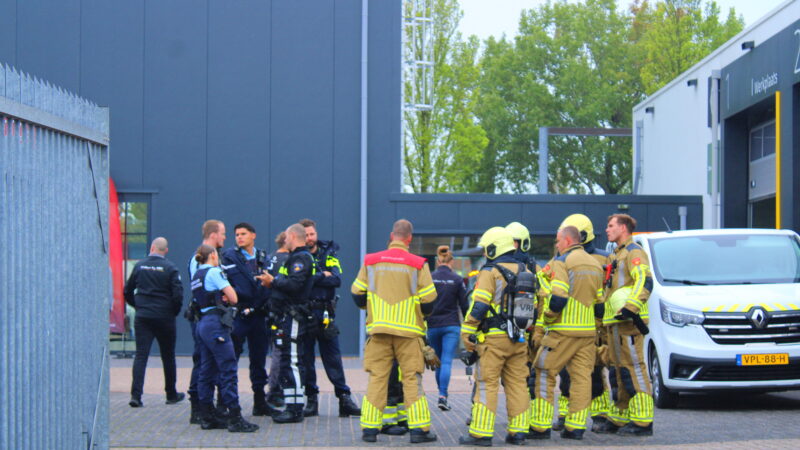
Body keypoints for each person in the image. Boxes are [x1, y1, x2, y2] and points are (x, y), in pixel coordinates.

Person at [350, 219, 438, 444]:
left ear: (392, 236)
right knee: (411, 379)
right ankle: (419, 430)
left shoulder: (371, 261)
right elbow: (429, 299)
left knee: (377, 378)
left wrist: (371, 309)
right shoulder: (418, 263)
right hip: (409, 334)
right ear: (410, 238)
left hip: (378, 331)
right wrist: (419, 314)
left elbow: (357, 293)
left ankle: (369, 430)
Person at [459, 227, 532, 446]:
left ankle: (481, 433)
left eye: (486, 249)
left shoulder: (489, 271)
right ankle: (518, 432)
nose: (484, 253)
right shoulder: (525, 270)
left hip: (493, 339)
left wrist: (467, 328)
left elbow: (480, 305)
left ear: (494, 248)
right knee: (518, 384)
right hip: (519, 338)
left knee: (486, 384)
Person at [529, 225, 604, 440]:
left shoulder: (562, 262)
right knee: (582, 379)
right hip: (587, 333)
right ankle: (576, 428)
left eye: (558, 241)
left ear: (568, 241)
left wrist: (549, 318)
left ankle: (540, 426)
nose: (556, 245)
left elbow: (558, 297)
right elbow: (600, 303)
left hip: (561, 332)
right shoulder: (595, 264)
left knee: (544, 372)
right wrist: (595, 327)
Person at [551, 214, 613, 432]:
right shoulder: (563, 259)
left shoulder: (604, 259)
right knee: (571, 375)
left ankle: (599, 413)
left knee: (595, 373)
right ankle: (569, 417)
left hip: (587, 326)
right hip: (589, 326)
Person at [192, 244, 259, 432]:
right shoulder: (214, 273)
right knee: (228, 368)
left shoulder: (197, 275)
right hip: (215, 324)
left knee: (206, 370)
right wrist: (227, 295)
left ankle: (207, 415)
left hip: (203, 323)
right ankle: (235, 417)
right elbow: (234, 297)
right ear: (212, 255)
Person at [298, 218, 361, 418]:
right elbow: (299, 282)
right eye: (306, 235)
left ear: (316, 234)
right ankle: (311, 399)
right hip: (305, 313)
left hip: (325, 313)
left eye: (312, 234)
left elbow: (337, 279)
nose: (309, 238)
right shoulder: (297, 256)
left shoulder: (329, 253)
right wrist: (319, 275)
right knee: (306, 359)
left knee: (333, 357)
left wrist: (313, 277)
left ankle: (344, 398)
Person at [600, 213, 654, 436]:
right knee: (618, 369)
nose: (606, 229)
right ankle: (620, 416)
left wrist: (631, 306)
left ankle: (643, 421)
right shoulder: (614, 255)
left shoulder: (634, 252)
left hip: (629, 321)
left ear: (623, 228)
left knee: (634, 367)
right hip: (614, 322)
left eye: (610, 225)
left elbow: (644, 279)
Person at [256, 223, 316, 424]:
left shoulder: (301, 258)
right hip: (286, 315)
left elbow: (294, 285)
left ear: (292, 236)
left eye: (286, 237)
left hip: (294, 315)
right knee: (288, 361)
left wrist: (272, 282)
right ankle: (291, 405)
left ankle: (295, 409)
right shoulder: (296, 257)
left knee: (292, 361)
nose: (284, 240)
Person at [124, 237, 185, 408]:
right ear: (165, 251)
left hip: (143, 317)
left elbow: (127, 290)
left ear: (152, 248)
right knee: (168, 356)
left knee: (141, 355)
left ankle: (136, 396)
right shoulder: (170, 268)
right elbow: (178, 294)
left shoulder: (139, 266)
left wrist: (138, 306)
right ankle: (171, 394)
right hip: (164, 316)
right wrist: (173, 311)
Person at [220, 223, 271, 417]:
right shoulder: (229, 257)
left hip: (259, 315)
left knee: (258, 359)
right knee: (230, 358)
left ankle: (260, 402)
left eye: (243, 234)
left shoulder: (263, 257)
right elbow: (227, 284)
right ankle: (224, 402)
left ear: (253, 235)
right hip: (239, 315)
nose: (239, 237)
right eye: (237, 235)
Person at [186, 220, 226, 424]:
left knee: (206, 362)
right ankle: (199, 408)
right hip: (204, 317)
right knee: (203, 361)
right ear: (213, 235)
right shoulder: (201, 261)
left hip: (204, 317)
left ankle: (205, 408)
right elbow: (201, 290)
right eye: (223, 233)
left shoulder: (200, 258)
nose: (224, 238)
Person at [427, 245, 468, 411]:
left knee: (437, 363)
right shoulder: (457, 280)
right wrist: (471, 325)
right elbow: (465, 305)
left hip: (433, 325)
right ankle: (443, 396)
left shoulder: (430, 277)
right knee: (446, 362)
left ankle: (441, 393)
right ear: (452, 262)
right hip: (451, 325)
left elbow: (424, 301)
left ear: (438, 261)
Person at [265, 231, 290, 408]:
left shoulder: (269, 258)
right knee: (281, 353)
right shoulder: (288, 259)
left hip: (269, 310)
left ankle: (275, 388)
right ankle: (275, 390)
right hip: (283, 310)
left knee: (276, 350)